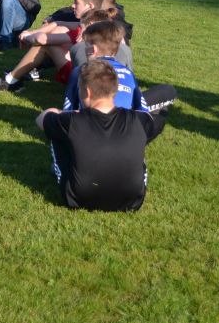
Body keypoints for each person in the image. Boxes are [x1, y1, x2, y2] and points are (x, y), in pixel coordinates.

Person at [37, 60, 166, 211]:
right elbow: (159, 121)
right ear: (115, 89)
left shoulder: (71, 121)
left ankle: (60, 172)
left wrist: (65, 113)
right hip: (133, 200)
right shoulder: (139, 120)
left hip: (77, 198)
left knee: (57, 133)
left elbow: (41, 119)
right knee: (138, 138)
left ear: (87, 91)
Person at [0, 0, 103, 93]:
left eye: (76, 2)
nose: (72, 5)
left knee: (46, 44)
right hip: (97, 78)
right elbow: (58, 23)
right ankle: (17, 77)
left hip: (84, 82)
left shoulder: (86, 30)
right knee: (58, 29)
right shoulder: (97, 23)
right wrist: (33, 32)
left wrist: (28, 37)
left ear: (89, 5)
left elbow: (42, 40)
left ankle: (10, 81)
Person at [63, 20, 147, 112]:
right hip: (124, 119)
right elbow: (142, 108)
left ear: (93, 50)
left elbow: (68, 109)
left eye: (86, 46)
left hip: (91, 119)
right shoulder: (128, 72)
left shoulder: (80, 71)